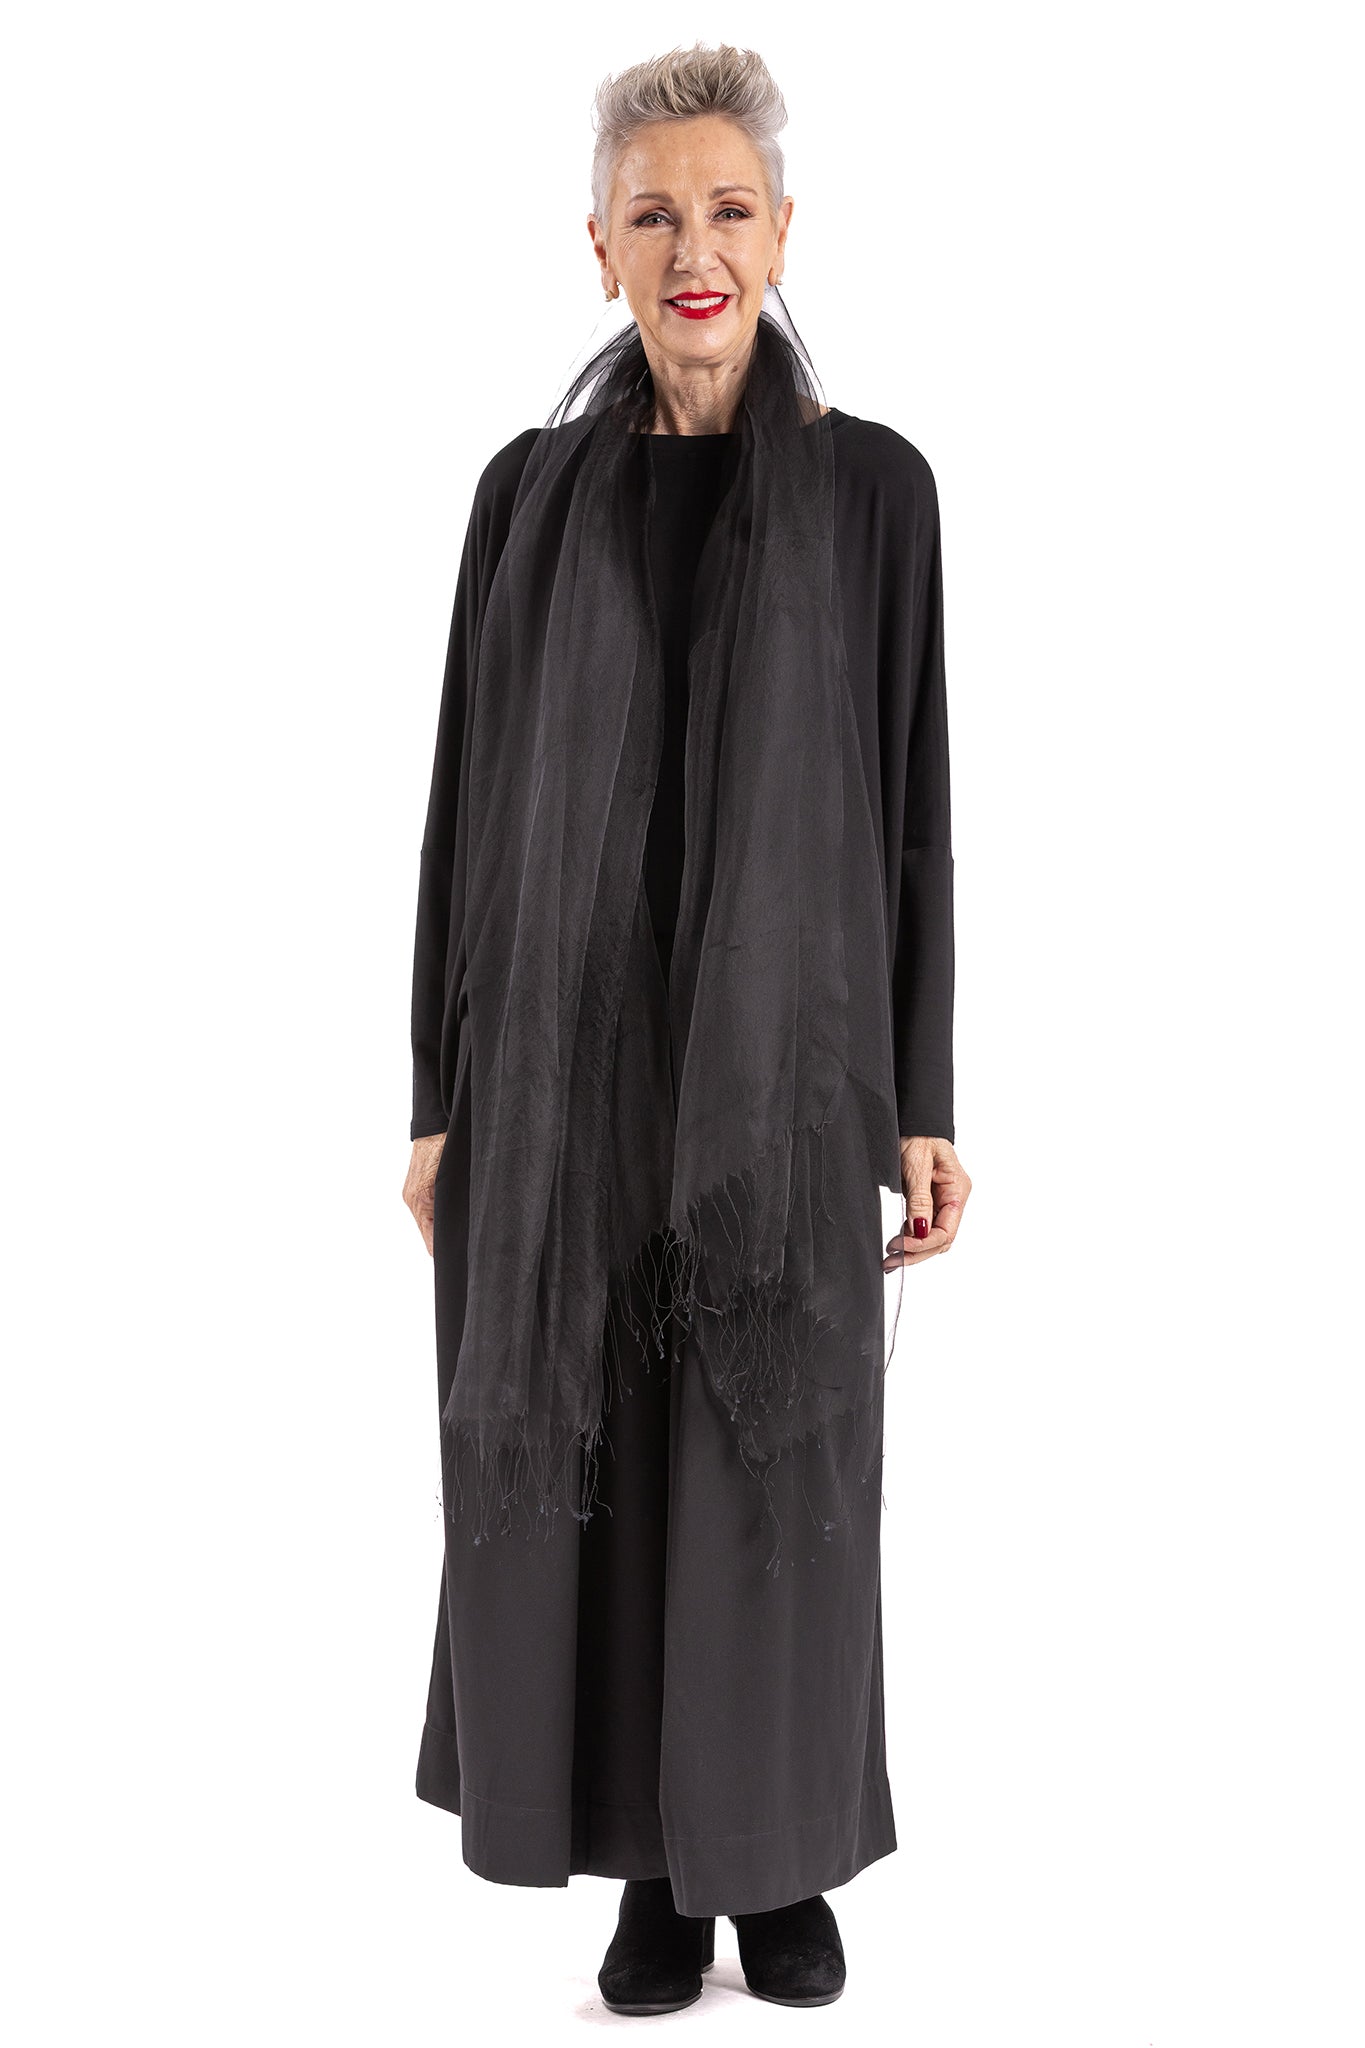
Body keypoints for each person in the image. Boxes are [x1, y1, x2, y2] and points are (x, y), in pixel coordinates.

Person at [400, 40, 972, 2016]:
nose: (692, 246)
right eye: (652, 214)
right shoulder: (526, 498)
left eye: (727, 208)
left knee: (774, 1476)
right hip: (566, 1079)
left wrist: (920, 1096)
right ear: (599, 247)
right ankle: (653, 1873)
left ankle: (776, 1861)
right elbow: (468, 810)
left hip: (787, 1081)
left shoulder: (874, 493)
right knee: (610, 1475)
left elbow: (909, 809)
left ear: (782, 234)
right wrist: (437, 1099)